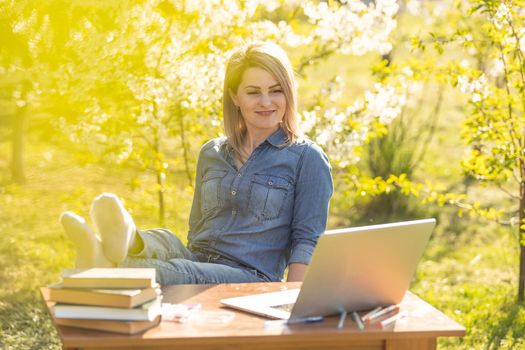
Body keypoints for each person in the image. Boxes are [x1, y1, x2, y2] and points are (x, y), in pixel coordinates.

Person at [60, 42, 333, 285]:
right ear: (235, 97)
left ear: (288, 93)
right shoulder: (212, 152)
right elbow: (196, 230)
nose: (266, 102)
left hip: (249, 276)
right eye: (253, 92)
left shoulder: (307, 159)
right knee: (165, 240)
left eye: (276, 91)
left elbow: (307, 242)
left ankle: (103, 266)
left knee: (182, 271)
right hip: (197, 257)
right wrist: (188, 257)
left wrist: (291, 306)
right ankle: (128, 239)